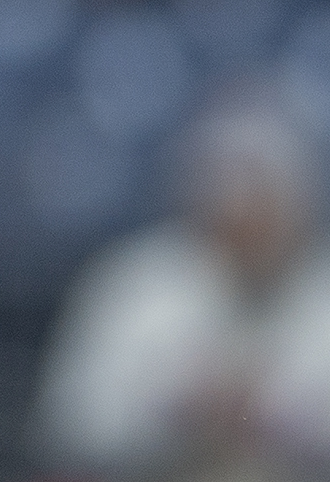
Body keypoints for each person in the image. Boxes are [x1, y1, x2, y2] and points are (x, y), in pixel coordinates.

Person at [32, 100, 330, 480]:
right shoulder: (140, 282)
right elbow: (74, 425)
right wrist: (175, 407)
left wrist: (279, 417)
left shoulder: (321, 290)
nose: (242, 213)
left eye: (261, 191)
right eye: (227, 189)